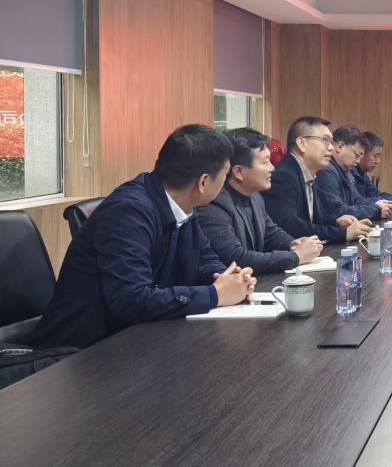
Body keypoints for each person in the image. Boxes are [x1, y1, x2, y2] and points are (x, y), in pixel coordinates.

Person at [31, 125, 256, 349]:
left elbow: (203, 256)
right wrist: (214, 294)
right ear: (203, 182)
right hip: (83, 351)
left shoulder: (183, 204)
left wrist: (228, 278)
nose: (225, 184)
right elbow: (131, 300)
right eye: (225, 175)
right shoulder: (128, 212)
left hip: (138, 340)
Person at [197, 128, 324, 275]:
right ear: (238, 172)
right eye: (265, 162)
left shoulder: (255, 195)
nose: (272, 168)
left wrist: (293, 244)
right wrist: (296, 256)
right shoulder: (213, 203)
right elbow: (235, 258)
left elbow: (270, 233)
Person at [262, 116, 371, 243]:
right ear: (302, 144)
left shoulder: (307, 171)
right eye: (325, 140)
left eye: (331, 141)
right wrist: (343, 233)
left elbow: (311, 218)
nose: (331, 147)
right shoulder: (284, 175)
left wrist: (335, 221)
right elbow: (289, 225)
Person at [317, 125, 392, 221]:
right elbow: (337, 211)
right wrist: (375, 210)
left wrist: (377, 205)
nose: (358, 161)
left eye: (360, 157)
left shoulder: (344, 170)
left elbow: (356, 200)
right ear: (340, 147)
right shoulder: (326, 170)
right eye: (356, 155)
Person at [353, 131, 392, 209]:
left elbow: (375, 194)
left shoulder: (362, 172)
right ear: (362, 153)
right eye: (375, 156)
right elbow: (360, 202)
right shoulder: (349, 172)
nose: (378, 161)